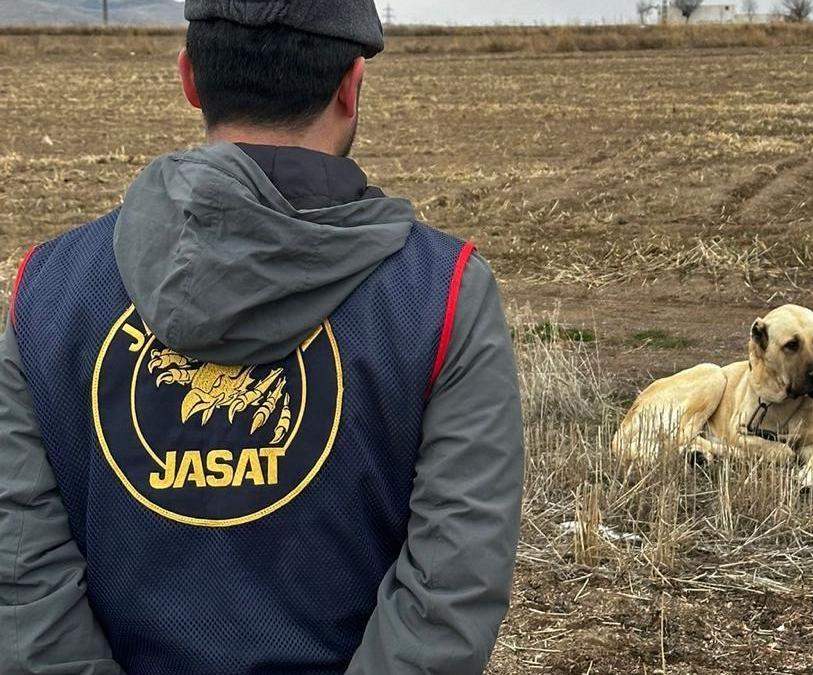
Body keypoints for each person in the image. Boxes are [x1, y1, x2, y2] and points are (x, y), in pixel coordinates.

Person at [0, 1, 524, 673]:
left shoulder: (48, 293)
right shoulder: (443, 297)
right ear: (351, 86)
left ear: (190, 79)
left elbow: (21, 582)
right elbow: (450, 591)